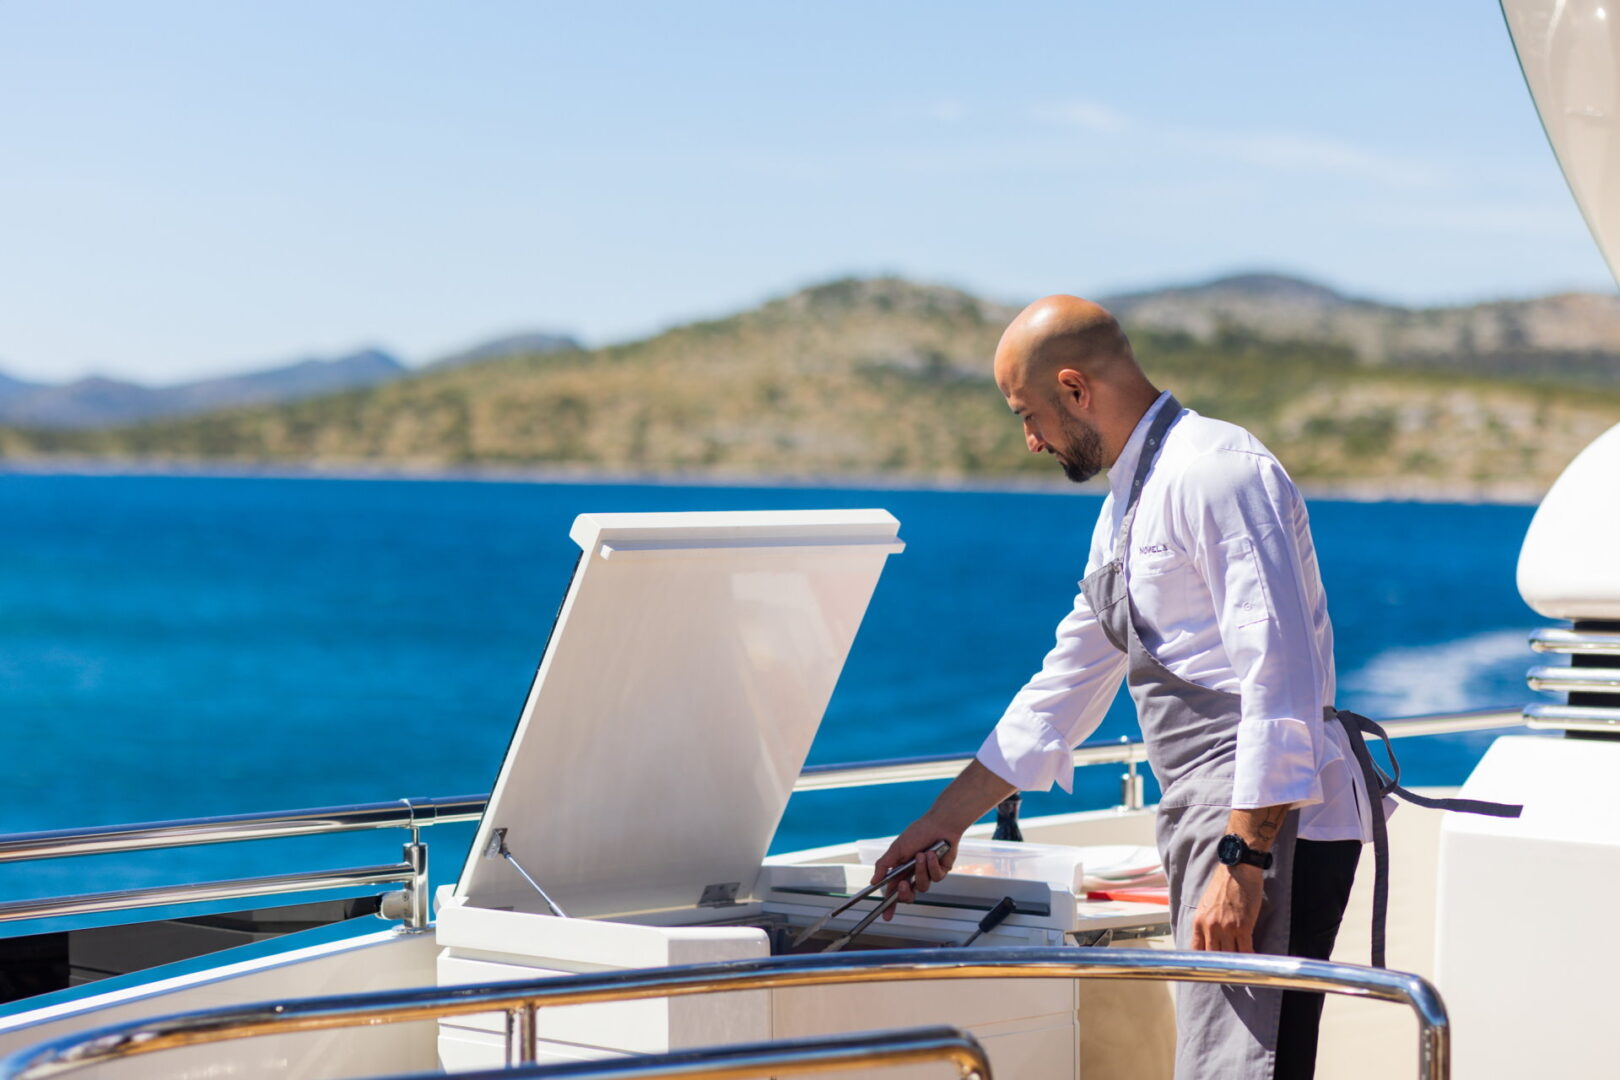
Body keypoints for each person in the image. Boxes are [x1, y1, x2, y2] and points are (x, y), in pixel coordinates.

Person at [872, 294, 1391, 1080]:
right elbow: (1065, 685)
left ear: (1076, 389)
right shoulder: (1126, 506)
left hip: (1266, 824)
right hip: (1210, 819)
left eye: (1030, 414)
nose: (1031, 439)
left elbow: (1280, 677)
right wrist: (940, 823)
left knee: (1243, 1073)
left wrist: (1241, 861)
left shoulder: (1217, 471)